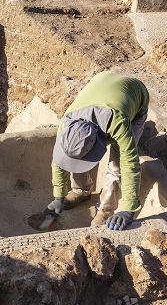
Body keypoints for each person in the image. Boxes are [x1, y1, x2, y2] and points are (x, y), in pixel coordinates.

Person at [41, 71, 149, 232]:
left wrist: (128, 209)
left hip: (135, 94)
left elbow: (130, 165)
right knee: (73, 154)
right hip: (102, 80)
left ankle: (106, 210)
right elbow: (58, 162)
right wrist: (59, 195)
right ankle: (81, 190)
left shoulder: (118, 123)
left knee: (117, 164)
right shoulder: (67, 122)